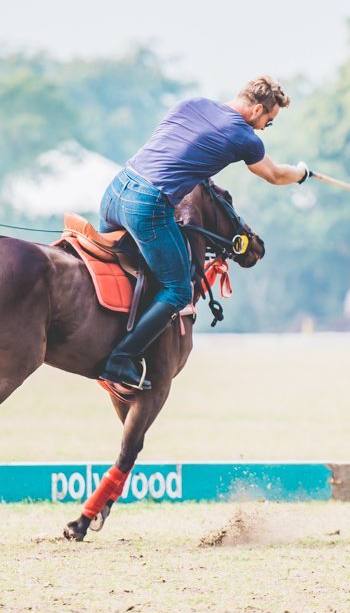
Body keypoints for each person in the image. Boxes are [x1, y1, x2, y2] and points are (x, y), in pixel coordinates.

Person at [98, 76, 308, 390]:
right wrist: (302, 173)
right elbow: (276, 174)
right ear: (257, 109)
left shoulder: (191, 104)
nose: (264, 127)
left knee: (128, 268)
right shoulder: (244, 136)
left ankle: (108, 337)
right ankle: (119, 360)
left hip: (115, 191)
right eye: (269, 120)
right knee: (179, 290)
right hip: (147, 204)